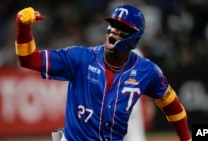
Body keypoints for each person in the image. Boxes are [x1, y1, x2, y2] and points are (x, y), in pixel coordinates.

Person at [14, 4, 192, 141]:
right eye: (112, 24)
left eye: (121, 28)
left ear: (134, 38)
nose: (113, 30)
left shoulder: (147, 71)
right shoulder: (80, 58)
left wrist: (187, 138)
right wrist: (23, 28)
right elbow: (29, 59)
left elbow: (171, 104)